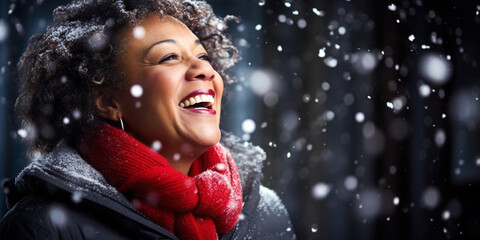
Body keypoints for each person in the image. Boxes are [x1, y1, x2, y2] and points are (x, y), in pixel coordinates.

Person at [0, 0, 296, 239]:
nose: (204, 70)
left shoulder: (265, 213)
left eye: (203, 56)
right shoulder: (42, 227)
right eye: (168, 57)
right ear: (109, 102)